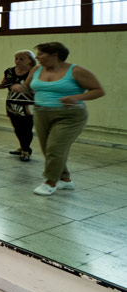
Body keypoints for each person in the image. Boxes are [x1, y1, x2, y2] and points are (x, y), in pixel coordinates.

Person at [10, 42, 104, 196]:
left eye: (41, 54)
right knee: (49, 149)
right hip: (41, 113)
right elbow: (28, 87)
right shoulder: (36, 69)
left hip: (69, 115)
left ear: (55, 55)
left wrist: (76, 97)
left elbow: (98, 90)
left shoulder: (76, 71)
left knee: (55, 148)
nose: (37, 57)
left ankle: (50, 182)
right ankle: (65, 180)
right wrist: (20, 88)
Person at [0, 50, 36, 162]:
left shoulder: (35, 72)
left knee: (26, 127)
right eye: (16, 58)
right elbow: (3, 85)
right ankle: (23, 146)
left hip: (28, 103)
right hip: (12, 103)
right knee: (17, 127)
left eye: (22, 59)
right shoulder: (9, 71)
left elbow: (39, 87)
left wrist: (25, 89)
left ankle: (26, 150)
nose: (18, 61)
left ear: (30, 61)